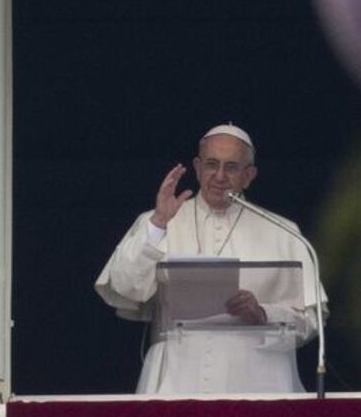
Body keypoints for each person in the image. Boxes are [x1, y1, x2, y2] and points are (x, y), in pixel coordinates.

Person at [94, 124, 327, 394]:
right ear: (197, 167)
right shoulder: (157, 222)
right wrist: (158, 223)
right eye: (212, 164)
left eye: (231, 167)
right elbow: (125, 286)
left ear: (249, 175)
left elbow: (311, 319)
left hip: (259, 381)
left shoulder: (284, 232)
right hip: (176, 380)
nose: (219, 176)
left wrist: (263, 313)